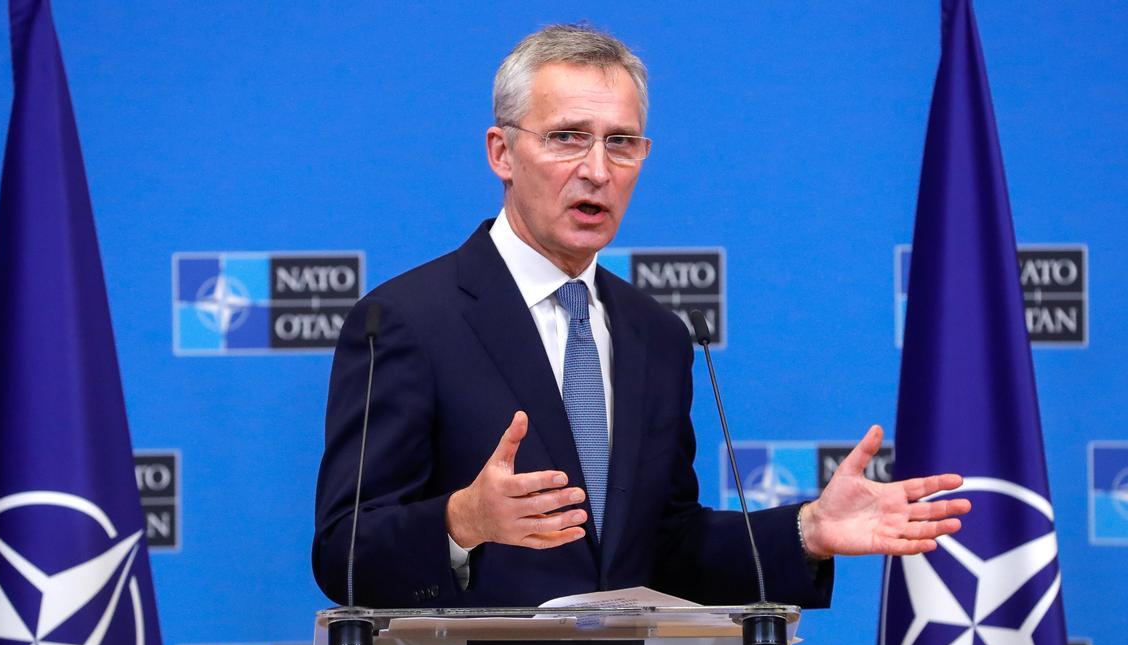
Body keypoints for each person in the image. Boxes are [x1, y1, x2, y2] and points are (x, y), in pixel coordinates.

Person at [312, 24, 970, 609]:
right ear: (501, 152)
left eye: (620, 143)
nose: (597, 170)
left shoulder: (655, 334)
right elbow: (344, 552)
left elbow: (668, 546)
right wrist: (461, 519)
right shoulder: (407, 319)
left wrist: (806, 530)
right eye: (567, 138)